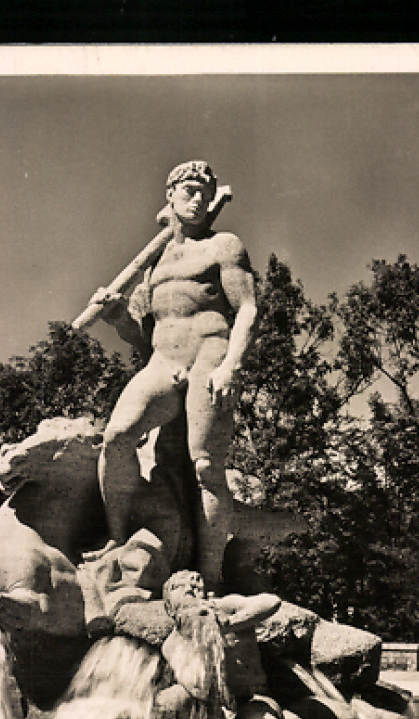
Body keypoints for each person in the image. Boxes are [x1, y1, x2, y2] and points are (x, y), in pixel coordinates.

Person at [84, 160, 257, 593]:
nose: (197, 198)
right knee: (117, 436)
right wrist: (115, 314)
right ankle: (118, 539)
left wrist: (231, 365)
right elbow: (140, 336)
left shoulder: (224, 246)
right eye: (189, 190)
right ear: (171, 196)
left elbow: (249, 309)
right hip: (162, 360)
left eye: (204, 191)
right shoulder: (154, 265)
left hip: (209, 354)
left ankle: (211, 575)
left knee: (205, 465)